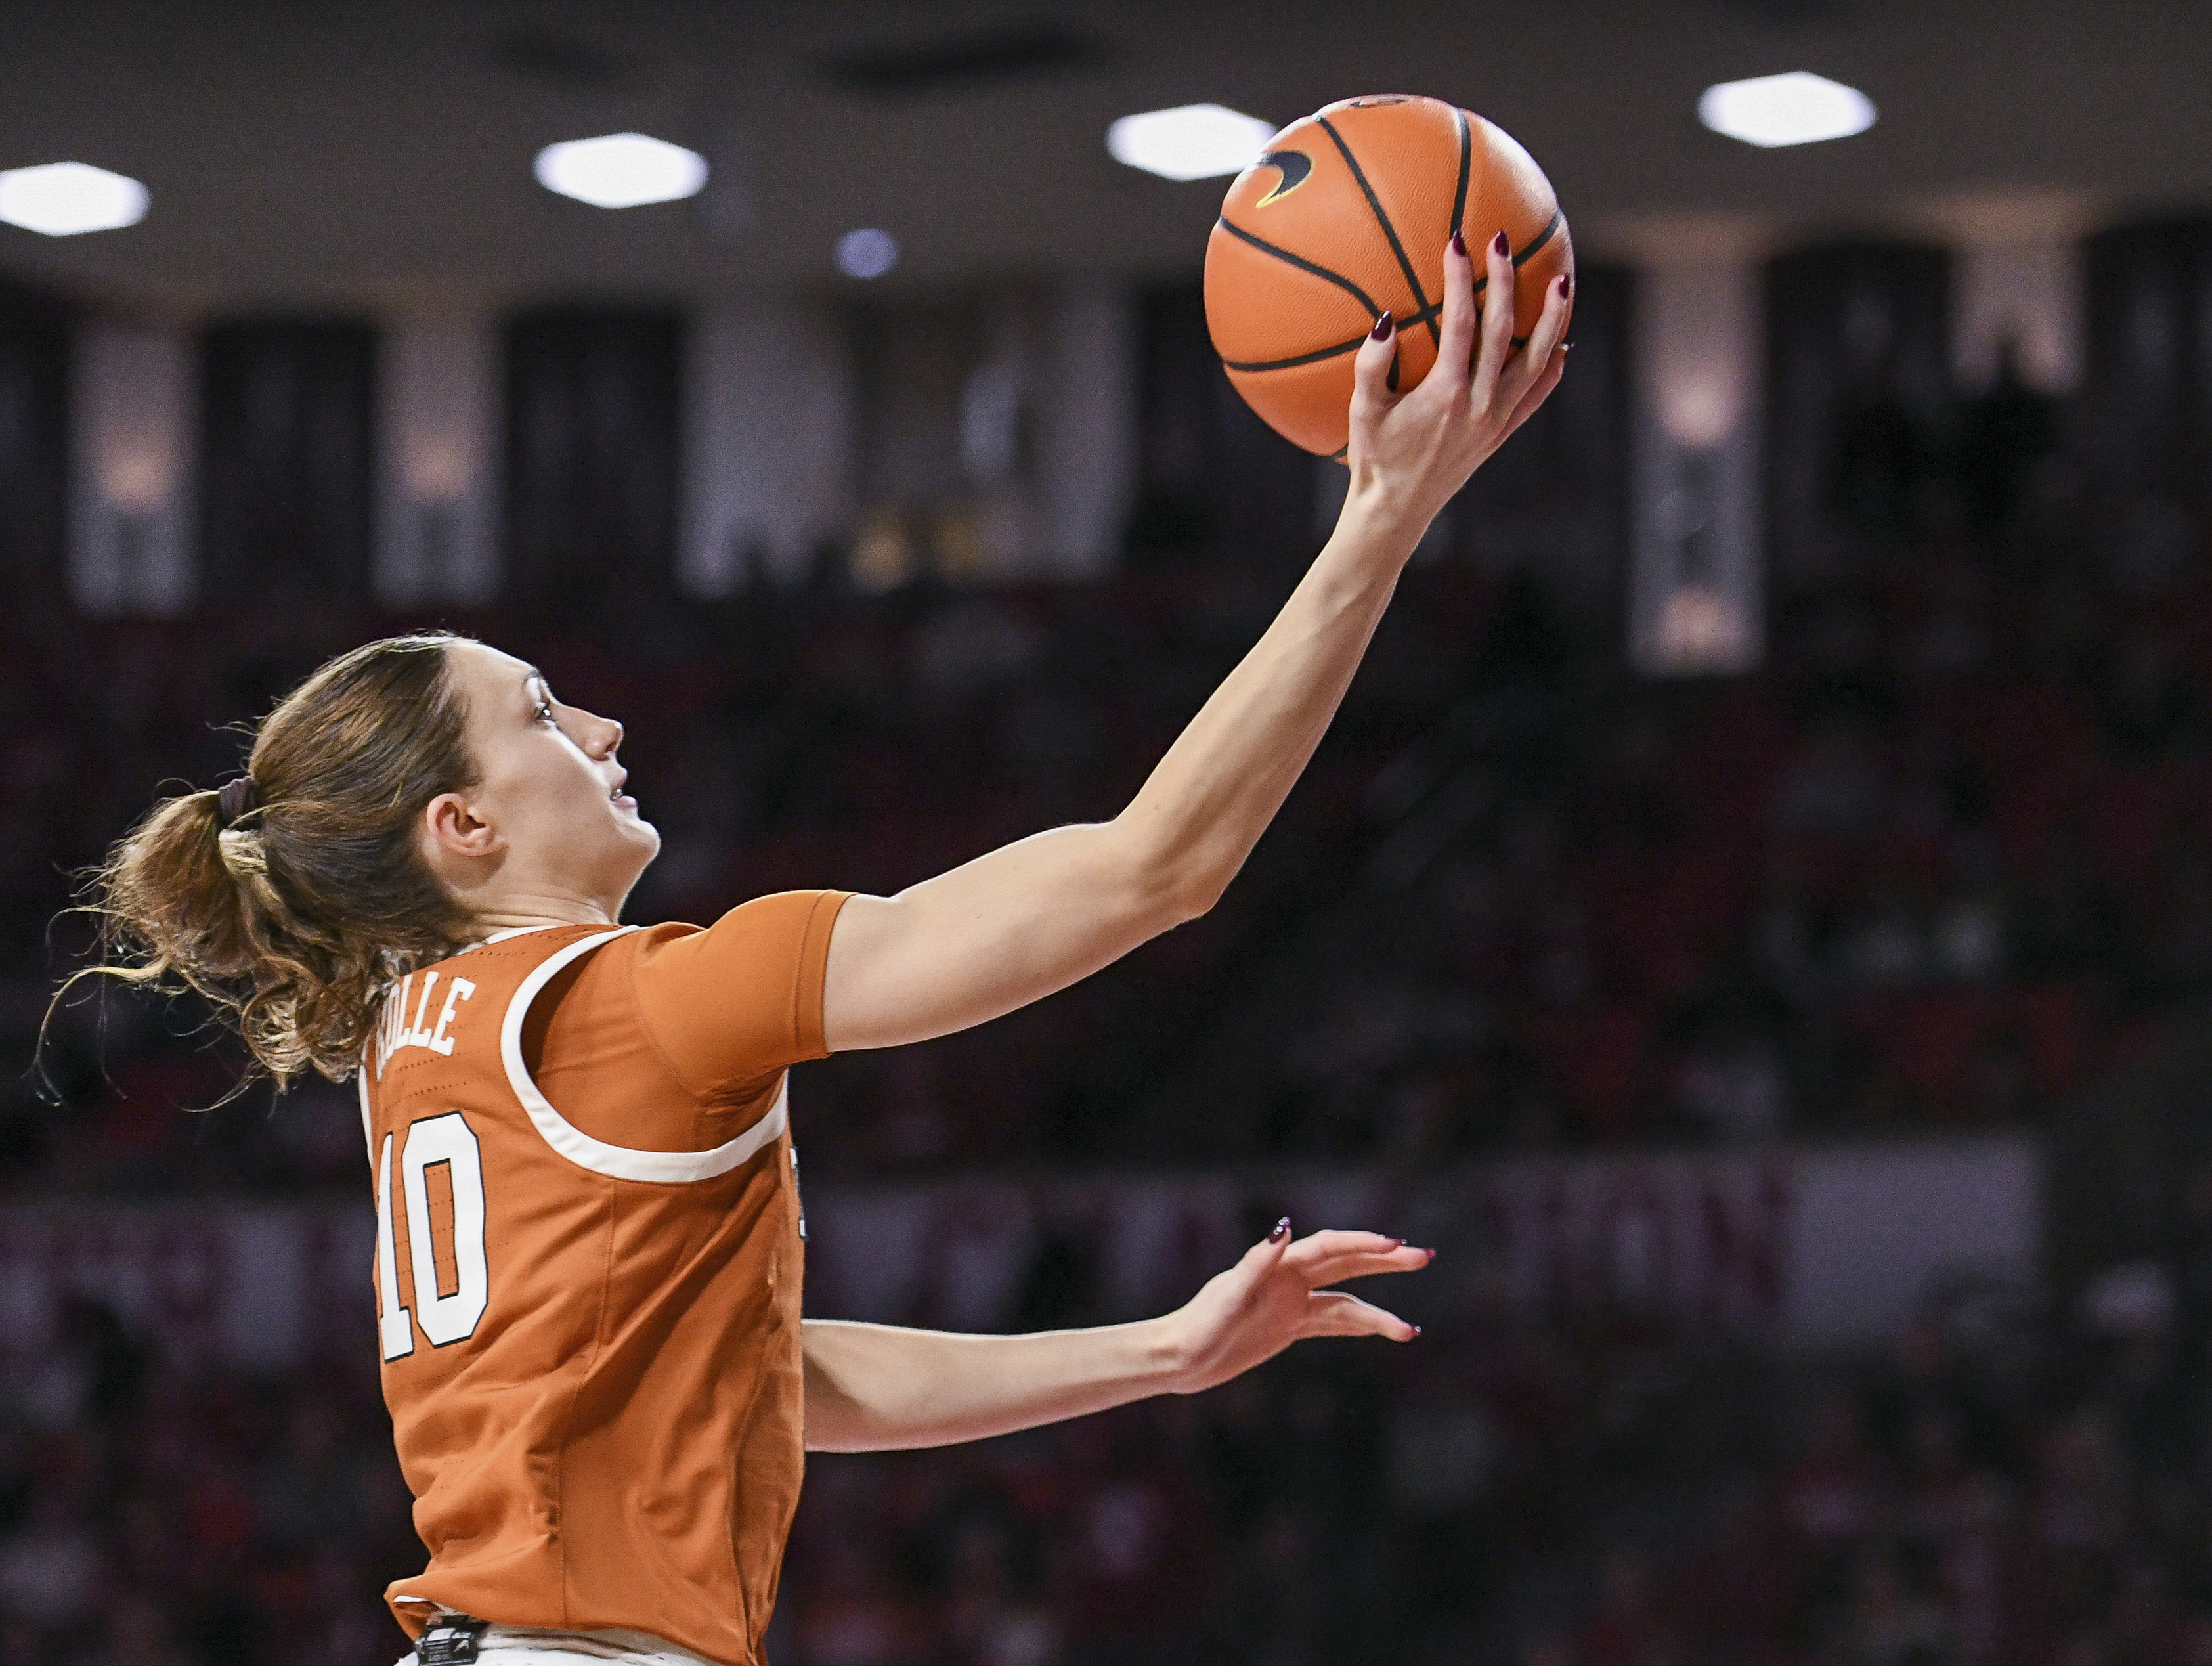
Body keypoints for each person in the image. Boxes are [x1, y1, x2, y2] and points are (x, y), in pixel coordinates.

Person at [79, 234, 1571, 1666]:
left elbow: (757, 1373)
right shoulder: (645, 1007)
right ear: (460, 827)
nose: (599, 726)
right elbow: (1152, 870)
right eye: (541, 713)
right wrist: (1379, 522)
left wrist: (1160, 1354)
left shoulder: (419, 1040)